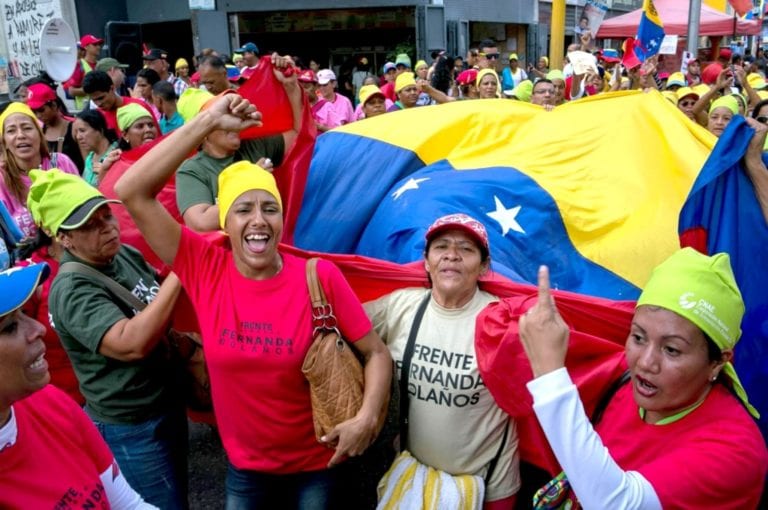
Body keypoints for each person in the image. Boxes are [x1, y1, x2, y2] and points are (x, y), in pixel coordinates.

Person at [114, 92, 393, 508]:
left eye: (269, 208)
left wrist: (367, 419)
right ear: (224, 221)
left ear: (282, 218)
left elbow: (377, 354)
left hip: (318, 467)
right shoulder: (204, 267)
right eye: (243, 209)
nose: (258, 219)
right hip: (245, 472)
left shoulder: (319, 276)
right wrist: (206, 123)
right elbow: (131, 190)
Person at [518, 249, 768, 509]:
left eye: (671, 349)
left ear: (718, 362)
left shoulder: (737, 450)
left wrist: (549, 373)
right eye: (638, 337)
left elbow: (618, 504)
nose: (645, 362)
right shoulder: (623, 380)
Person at [27, 169, 187, 509]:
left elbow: (161, 300)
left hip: (165, 404)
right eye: (90, 224)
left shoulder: (124, 254)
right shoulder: (72, 289)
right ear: (64, 238)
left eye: (106, 214)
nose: (108, 227)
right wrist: (183, 268)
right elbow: (131, 343)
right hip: (132, 427)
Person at [366, 214, 520, 509]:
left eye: (466, 249)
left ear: (484, 266)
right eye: (441, 247)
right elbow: (342, 326)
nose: (452, 255)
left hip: (488, 487)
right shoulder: (401, 305)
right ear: (426, 261)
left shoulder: (502, 319)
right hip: (410, 481)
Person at [0, 263, 155, 509]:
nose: (38, 329)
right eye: (9, 327)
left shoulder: (49, 401)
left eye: (24, 314)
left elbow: (128, 505)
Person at [174, 54, 302, 232]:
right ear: (202, 133)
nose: (233, 120)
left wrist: (290, 86)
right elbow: (200, 223)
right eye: (221, 117)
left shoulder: (253, 145)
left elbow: (298, 136)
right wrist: (249, 179)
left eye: (233, 112)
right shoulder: (192, 170)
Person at [0, 102, 80, 238]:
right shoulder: (2, 177)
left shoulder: (61, 163)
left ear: (40, 135)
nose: (20, 135)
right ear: (5, 142)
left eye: (27, 128)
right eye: (11, 131)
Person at [27, 82, 84, 171]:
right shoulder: (39, 132)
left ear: (54, 106)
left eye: (41, 110)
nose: (38, 116)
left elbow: (87, 162)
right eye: (34, 112)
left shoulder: (74, 128)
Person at [82, 70, 159, 137]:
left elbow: (158, 140)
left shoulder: (139, 107)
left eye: (101, 98)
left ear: (112, 88)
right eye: (94, 100)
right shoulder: (98, 117)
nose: (98, 104)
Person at [74, 109, 119, 186]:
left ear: (100, 130)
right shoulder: (90, 158)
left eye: (82, 131)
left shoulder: (116, 155)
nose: (78, 137)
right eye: (76, 132)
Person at [63, 34, 103, 110]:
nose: (98, 47)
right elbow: (71, 91)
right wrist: (92, 89)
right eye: (95, 44)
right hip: (85, 111)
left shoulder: (101, 64)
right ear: (86, 47)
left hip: (101, 108)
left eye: (99, 44)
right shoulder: (78, 65)